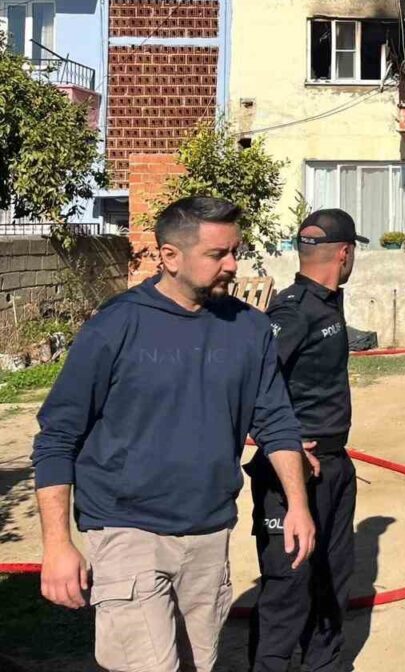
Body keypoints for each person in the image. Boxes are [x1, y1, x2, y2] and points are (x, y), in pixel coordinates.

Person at [31, 196, 314, 672]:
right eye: (217, 254)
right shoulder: (116, 325)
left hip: (209, 531)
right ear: (169, 256)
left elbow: (276, 422)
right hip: (127, 530)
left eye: (235, 251)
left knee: (197, 664)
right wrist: (57, 544)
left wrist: (298, 506)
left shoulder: (249, 329)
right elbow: (58, 437)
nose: (232, 265)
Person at [248, 208, 366, 672]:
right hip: (294, 472)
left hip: (334, 467)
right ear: (345, 253)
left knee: (332, 582)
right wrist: (288, 444)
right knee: (288, 590)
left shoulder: (327, 302)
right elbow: (251, 385)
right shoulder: (293, 310)